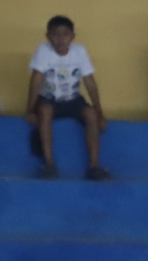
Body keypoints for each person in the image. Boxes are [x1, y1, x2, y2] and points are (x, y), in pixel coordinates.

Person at [25, 15, 108, 181]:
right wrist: (29, 109)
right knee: (45, 111)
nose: (60, 39)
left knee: (91, 115)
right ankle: (49, 164)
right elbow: (36, 81)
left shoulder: (79, 51)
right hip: (49, 98)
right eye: (55, 34)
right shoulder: (43, 50)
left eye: (65, 34)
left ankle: (94, 166)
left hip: (72, 99)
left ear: (73, 37)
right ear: (48, 36)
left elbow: (90, 82)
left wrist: (99, 111)